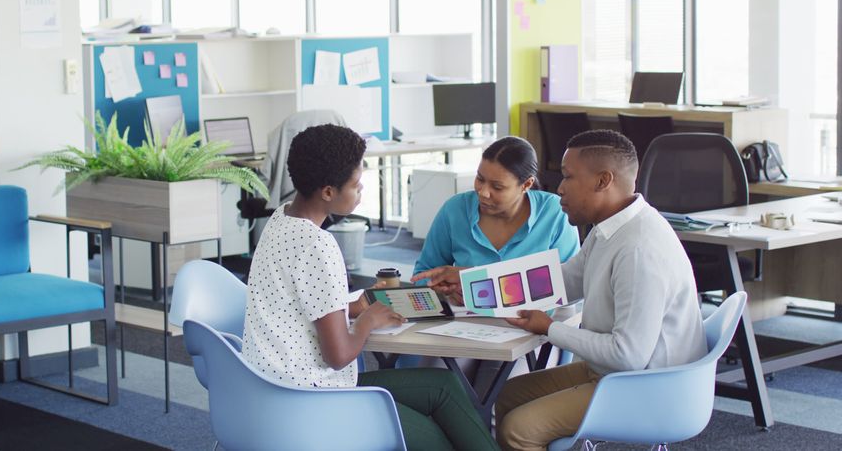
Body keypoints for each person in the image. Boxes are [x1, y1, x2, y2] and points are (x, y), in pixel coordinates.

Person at [242, 124, 497, 451]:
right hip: (312, 402)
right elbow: (339, 355)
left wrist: (350, 307)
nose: (361, 189)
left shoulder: (279, 221)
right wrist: (367, 321)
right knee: (439, 441)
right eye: (356, 184)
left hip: (275, 390)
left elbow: (294, 302)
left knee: (444, 385)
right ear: (328, 192)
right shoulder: (319, 247)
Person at [493, 129, 707, 451]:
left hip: (649, 389)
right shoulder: (612, 225)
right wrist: (484, 287)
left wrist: (549, 328)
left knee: (518, 430)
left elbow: (628, 355)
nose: (559, 188)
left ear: (603, 180)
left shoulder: (638, 249)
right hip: (614, 375)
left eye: (568, 177)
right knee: (507, 397)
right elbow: (569, 280)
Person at [411, 136, 580, 304]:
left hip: (535, 324)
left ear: (526, 185)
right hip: (464, 323)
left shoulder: (554, 213)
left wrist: (476, 281)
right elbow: (422, 275)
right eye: (480, 179)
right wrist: (444, 290)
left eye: (497, 187)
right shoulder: (455, 210)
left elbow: (570, 287)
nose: (483, 192)